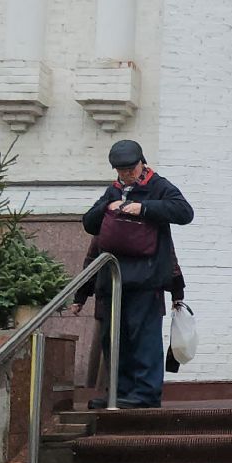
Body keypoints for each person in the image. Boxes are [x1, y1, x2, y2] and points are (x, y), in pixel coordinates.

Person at [81, 140, 194, 409]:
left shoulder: (159, 186)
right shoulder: (114, 190)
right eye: (121, 171)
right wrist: (108, 208)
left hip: (147, 279)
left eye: (130, 169)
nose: (126, 175)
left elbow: (184, 212)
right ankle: (118, 392)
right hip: (115, 280)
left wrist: (144, 209)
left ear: (142, 163)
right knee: (115, 339)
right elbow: (89, 223)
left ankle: (145, 393)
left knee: (144, 338)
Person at [74, 238, 187, 383]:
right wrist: (177, 293)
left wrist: (81, 295)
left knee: (126, 347)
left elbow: (93, 257)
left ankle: (123, 393)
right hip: (130, 293)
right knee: (132, 348)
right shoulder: (145, 217)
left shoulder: (115, 218)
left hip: (123, 293)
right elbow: (168, 255)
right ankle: (123, 392)